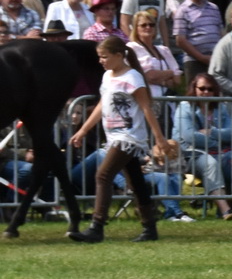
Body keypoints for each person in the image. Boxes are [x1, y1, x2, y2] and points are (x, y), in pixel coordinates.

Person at [64, 36, 176, 242]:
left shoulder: (133, 77)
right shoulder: (107, 76)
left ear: (119, 55)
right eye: (99, 57)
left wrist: (159, 138)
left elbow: (146, 107)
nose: (101, 61)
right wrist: (83, 130)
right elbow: (101, 106)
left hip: (129, 137)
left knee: (103, 175)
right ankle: (149, 227)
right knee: (136, 181)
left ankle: (97, 227)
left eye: (104, 57)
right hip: (114, 135)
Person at [172, 75, 232, 220]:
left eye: (210, 89)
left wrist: (212, 132)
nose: (206, 92)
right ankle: (225, 210)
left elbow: (231, 133)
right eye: (202, 88)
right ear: (194, 88)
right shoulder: (185, 106)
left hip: (219, 153)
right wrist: (217, 141)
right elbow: (189, 136)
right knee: (211, 164)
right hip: (190, 154)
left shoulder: (219, 107)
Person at [126, 8, 180, 99]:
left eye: (152, 25)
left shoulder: (164, 50)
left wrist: (157, 78)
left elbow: (177, 80)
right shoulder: (132, 48)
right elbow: (149, 76)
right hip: (145, 100)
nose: (148, 27)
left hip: (166, 103)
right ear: (136, 28)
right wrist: (169, 73)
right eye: (144, 25)